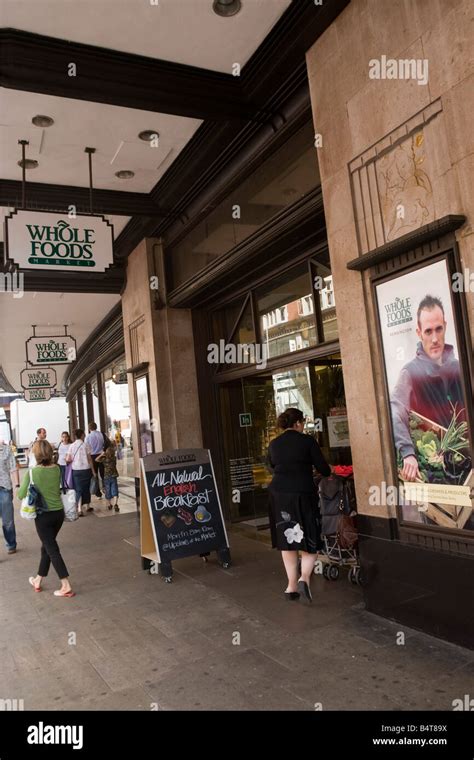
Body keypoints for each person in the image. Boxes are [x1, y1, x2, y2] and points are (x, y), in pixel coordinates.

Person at [391, 295, 465, 482]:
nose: (434, 338)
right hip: (436, 476)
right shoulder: (411, 372)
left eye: (438, 329)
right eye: (428, 331)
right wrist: (408, 453)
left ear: (445, 326)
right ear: (419, 333)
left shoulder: (460, 368)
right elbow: (395, 411)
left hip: (466, 467)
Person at [267, 407, 331, 603]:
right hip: (302, 493)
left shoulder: (274, 444)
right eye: (302, 422)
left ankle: (291, 586)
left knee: (287, 537)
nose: (303, 426)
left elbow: (271, 466)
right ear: (297, 423)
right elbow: (323, 469)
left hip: (278, 494)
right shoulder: (307, 441)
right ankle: (304, 578)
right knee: (310, 534)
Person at [17, 440, 74, 597]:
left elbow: (21, 494)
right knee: (47, 547)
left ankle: (65, 584)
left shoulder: (33, 472)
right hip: (59, 515)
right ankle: (38, 579)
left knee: (52, 549)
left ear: (36, 454)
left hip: (43, 517)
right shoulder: (57, 469)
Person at [66, 429, 95, 516]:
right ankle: (87, 506)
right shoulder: (86, 445)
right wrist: (93, 471)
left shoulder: (71, 446)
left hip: (76, 470)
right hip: (86, 470)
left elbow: (68, 459)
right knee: (86, 488)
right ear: (82, 435)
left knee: (78, 489)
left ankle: (79, 509)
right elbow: (90, 459)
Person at [0, 438, 20, 555]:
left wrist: (17, 484)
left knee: (7, 521)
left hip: (4, 488)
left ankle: (11, 544)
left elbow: (13, 468)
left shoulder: (6, 450)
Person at [96, 440, 120, 512]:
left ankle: (110, 504)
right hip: (114, 476)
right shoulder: (114, 458)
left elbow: (96, 460)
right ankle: (115, 504)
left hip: (106, 477)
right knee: (115, 490)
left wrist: (101, 454)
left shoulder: (104, 459)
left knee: (108, 491)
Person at [85, 422, 106, 497]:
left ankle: (98, 493)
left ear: (89, 428)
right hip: (101, 455)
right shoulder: (101, 434)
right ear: (96, 427)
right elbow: (104, 443)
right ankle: (105, 489)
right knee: (103, 473)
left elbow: (86, 447)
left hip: (93, 456)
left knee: (95, 474)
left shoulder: (88, 437)